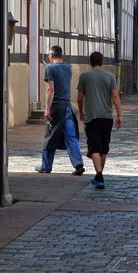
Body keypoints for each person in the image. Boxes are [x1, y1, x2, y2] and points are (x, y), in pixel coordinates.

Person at [77, 52, 122, 190]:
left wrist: (81, 111)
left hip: (92, 117)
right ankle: (99, 176)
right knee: (103, 148)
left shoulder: (84, 76)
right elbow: (115, 97)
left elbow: (79, 97)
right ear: (102, 62)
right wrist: (119, 115)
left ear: (90, 62)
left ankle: (99, 176)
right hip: (107, 117)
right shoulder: (109, 76)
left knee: (94, 147)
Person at [37, 45, 85, 175]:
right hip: (68, 106)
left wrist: (47, 109)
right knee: (71, 137)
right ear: (61, 55)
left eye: (48, 55)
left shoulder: (50, 67)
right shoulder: (68, 67)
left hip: (57, 106)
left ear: (51, 55)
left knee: (50, 137)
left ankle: (46, 166)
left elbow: (50, 89)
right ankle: (78, 164)